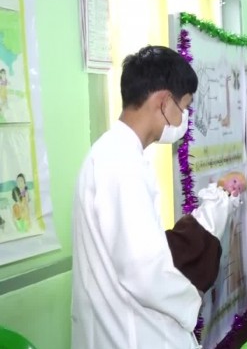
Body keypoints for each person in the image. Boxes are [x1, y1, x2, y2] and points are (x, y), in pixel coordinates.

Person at [72, 46, 234, 349]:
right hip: (132, 332)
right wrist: (190, 298)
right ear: (164, 101)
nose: (184, 119)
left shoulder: (113, 153)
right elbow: (144, 272)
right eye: (184, 107)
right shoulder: (122, 164)